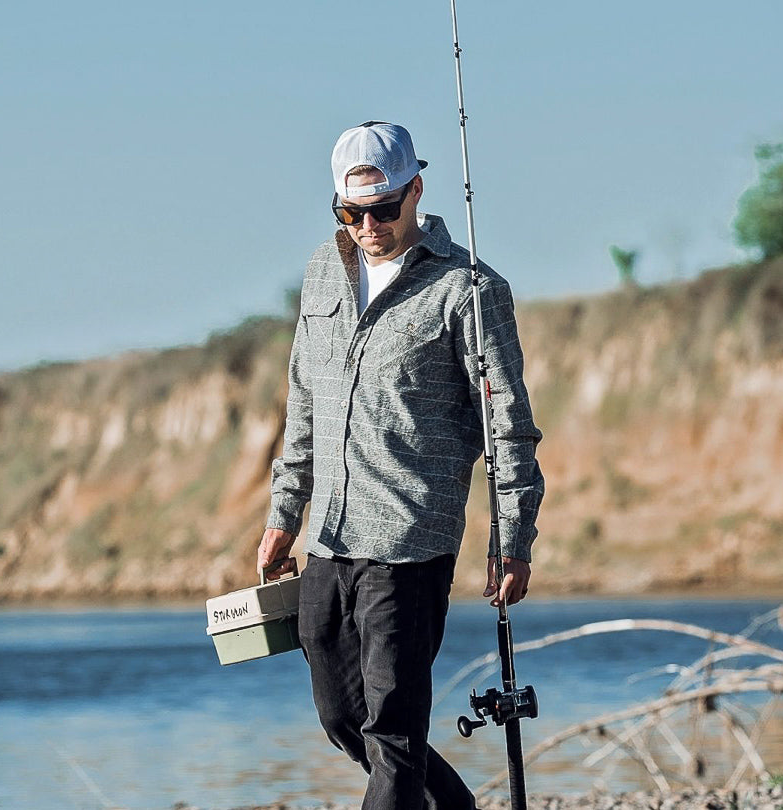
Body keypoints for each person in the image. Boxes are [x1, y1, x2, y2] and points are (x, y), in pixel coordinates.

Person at [257, 121, 544, 810]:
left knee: (394, 729)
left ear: (416, 189)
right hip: (328, 535)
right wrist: (282, 515)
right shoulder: (323, 271)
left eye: (384, 208)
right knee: (342, 719)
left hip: (410, 544)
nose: (368, 226)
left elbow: (508, 428)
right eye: (351, 213)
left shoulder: (469, 290)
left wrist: (512, 538)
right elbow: (304, 402)